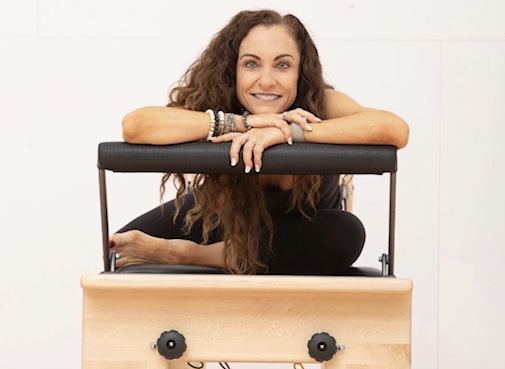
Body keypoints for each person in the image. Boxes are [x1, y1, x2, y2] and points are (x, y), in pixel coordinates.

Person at [110, 9, 409, 275]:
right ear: (233, 70)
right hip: (229, 221)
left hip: (305, 234)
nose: (266, 80)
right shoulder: (221, 103)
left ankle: (191, 255)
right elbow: (136, 126)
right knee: (118, 247)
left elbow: (394, 130)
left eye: (282, 66)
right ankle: (219, 252)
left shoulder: (320, 103)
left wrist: (291, 131)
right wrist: (243, 123)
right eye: (251, 64)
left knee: (347, 234)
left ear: (300, 72)